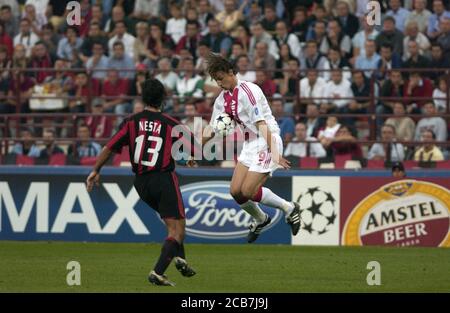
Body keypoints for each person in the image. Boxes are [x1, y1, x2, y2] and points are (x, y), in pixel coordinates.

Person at [86, 78, 198, 286]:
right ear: (163, 98)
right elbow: (195, 147)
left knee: (174, 223)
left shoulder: (130, 121)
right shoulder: (171, 123)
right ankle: (157, 272)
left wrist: (95, 170)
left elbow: (109, 147)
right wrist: (190, 155)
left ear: (143, 98)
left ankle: (180, 259)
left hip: (141, 183)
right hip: (163, 178)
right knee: (177, 229)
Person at [202, 53, 301, 243]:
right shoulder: (222, 100)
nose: (219, 84)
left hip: (267, 139)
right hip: (249, 145)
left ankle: (289, 208)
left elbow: (262, 124)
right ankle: (261, 219)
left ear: (231, 72)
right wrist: (196, 150)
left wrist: (275, 152)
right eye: (216, 81)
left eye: (221, 79)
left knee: (247, 191)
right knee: (235, 192)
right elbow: (211, 127)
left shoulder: (249, 91)